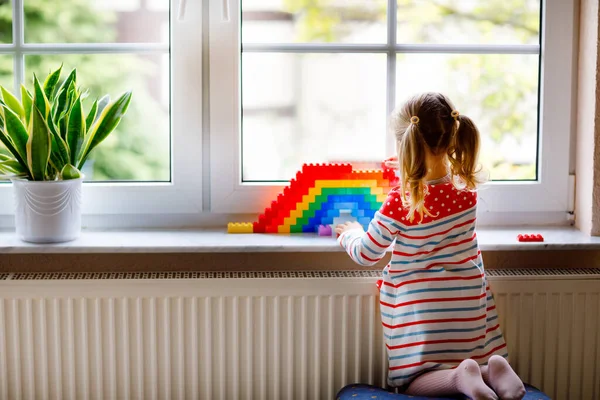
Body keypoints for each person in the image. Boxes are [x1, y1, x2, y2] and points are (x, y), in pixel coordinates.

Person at [335, 93, 525, 400]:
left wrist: (350, 233)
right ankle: (491, 371)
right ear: (453, 138)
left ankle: (460, 377)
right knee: (473, 358)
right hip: (467, 299)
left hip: (424, 309)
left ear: (404, 146)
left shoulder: (402, 200)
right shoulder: (465, 189)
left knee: (414, 381)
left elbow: (368, 252)